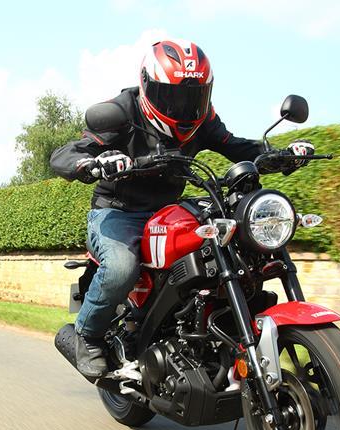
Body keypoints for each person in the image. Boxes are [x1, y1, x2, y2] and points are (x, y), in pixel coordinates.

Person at [51, 39, 314, 378]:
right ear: (148, 85)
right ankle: (87, 335)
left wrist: (280, 155)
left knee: (232, 244)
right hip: (118, 211)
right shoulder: (123, 111)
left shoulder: (202, 119)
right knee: (120, 267)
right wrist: (92, 164)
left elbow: (237, 147)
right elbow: (64, 155)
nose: (183, 107)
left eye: (193, 98)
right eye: (172, 96)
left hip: (168, 209)